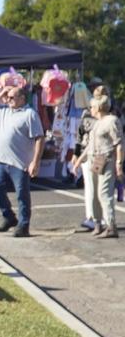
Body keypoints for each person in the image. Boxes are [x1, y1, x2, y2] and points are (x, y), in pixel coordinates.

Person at [0, 70, 45, 238]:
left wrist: (35, 162)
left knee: (22, 194)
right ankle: (9, 217)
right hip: (2, 160)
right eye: (8, 98)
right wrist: (2, 93)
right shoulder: (3, 110)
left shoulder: (29, 114)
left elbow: (39, 138)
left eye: (12, 97)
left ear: (22, 99)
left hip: (20, 162)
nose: (9, 100)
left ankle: (24, 225)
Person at [71, 93, 122, 238]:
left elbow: (118, 143)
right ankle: (98, 223)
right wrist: (79, 160)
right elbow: (89, 146)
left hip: (107, 157)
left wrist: (118, 163)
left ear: (99, 107)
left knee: (104, 192)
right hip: (95, 159)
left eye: (92, 107)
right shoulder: (96, 123)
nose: (90, 109)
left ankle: (111, 225)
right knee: (94, 194)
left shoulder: (112, 121)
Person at [74, 79, 108, 231]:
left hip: (96, 153)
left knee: (97, 188)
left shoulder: (101, 113)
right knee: (95, 187)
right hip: (93, 153)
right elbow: (80, 134)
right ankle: (95, 218)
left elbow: (82, 136)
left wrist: (77, 155)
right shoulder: (90, 112)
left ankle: (98, 218)